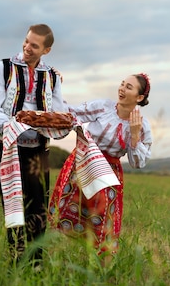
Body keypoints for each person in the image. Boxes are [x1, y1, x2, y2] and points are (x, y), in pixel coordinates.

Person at [0, 24, 65, 265]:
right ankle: (15, 261)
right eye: (26, 42)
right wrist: (14, 124)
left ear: (46, 50)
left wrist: (51, 121)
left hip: (37, 149)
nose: (27, 48)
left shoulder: (51, 76)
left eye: (35, 45)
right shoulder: (5, 67)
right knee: (13, 205)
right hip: (8, 146)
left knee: (38, 207)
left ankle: (37, 263)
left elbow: (59, 111)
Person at [49, 73, 152, 261]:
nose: (121, 89)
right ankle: (55, 256)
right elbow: (71, 114)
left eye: (129, 87)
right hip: (83, 160)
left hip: (108, 171)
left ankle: (101, 266)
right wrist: (55, 87)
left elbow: (138, 163)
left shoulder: (141, 125)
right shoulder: (104, 107)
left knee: (104, 219)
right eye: (122, 84)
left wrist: (135, 134)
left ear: (139, 97)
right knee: (64, 211)